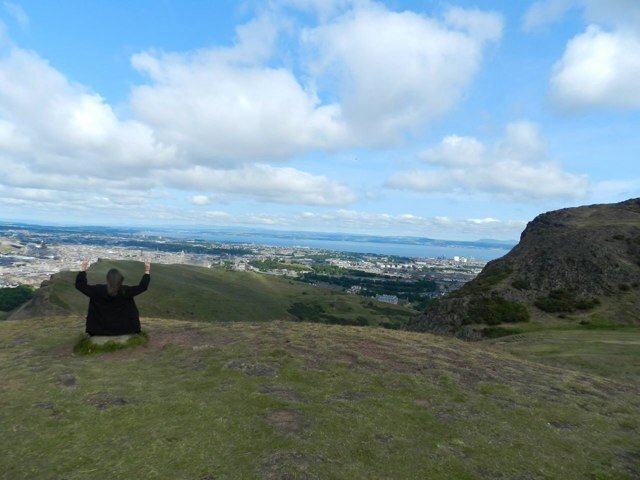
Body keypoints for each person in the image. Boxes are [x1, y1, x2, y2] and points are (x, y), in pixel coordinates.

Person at [75, 260, 151, 336]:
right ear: (121, 279)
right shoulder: (125, 291)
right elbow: (143, 287)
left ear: (107, 279)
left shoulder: (97, 290)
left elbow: (80, 285)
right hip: (126, 328)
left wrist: (83, 269)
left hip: (98, 329)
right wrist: (147, 270)